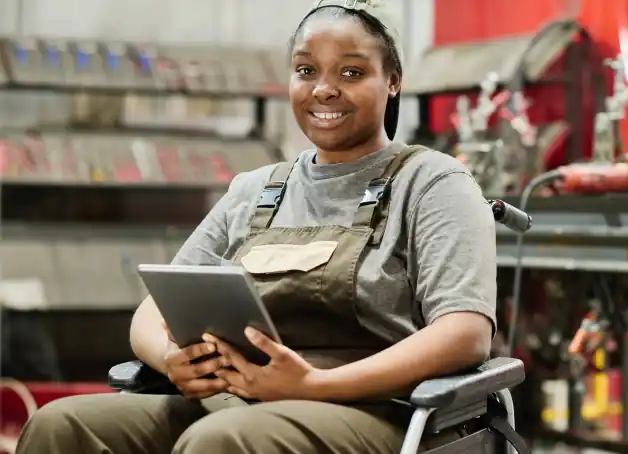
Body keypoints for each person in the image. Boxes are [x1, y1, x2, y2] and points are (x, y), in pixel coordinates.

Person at [14, 1, 498, 453]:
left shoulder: (432, 181)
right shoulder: (258, 189)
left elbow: (464, 332)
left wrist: (314, 384)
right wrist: (169, 361)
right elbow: (151, 312)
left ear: (393, 80)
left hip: (371, 406)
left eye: (351, 72)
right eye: (306, 70)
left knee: (221, 441)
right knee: (60, 427)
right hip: (238, 400)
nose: (323, 89)